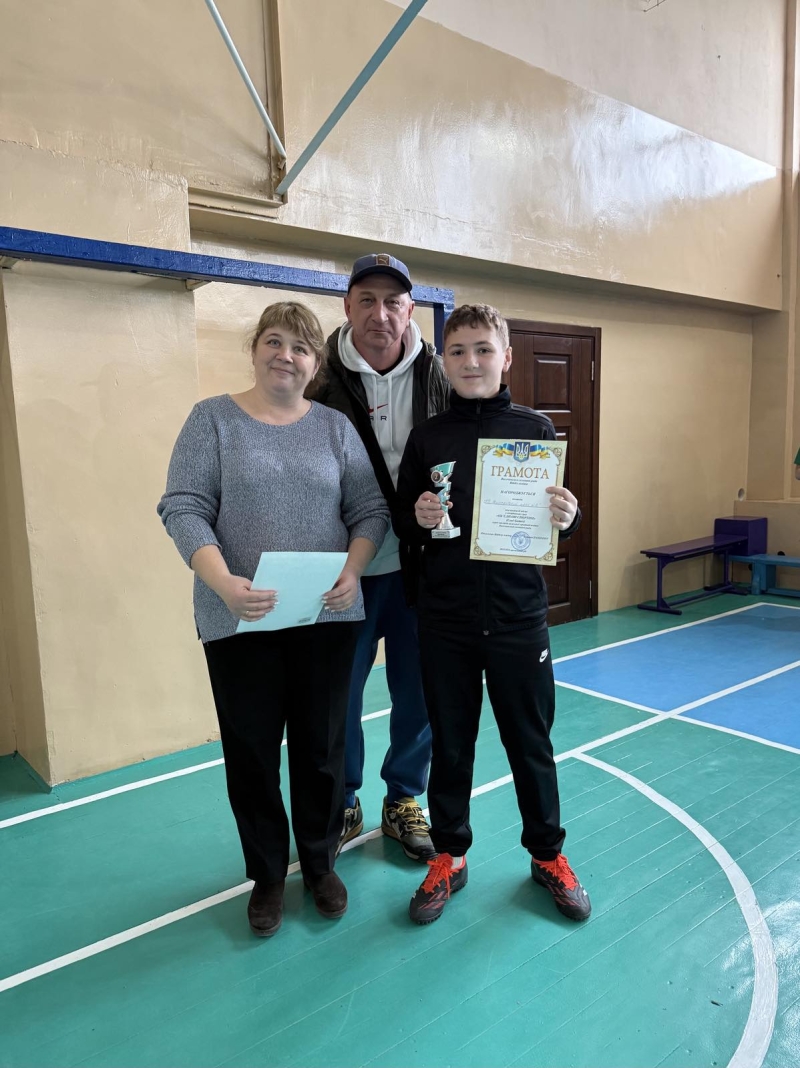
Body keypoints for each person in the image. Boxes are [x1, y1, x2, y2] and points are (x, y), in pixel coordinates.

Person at [157, 301, 389, 938]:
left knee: (322, 748)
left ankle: (319, 863)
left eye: (302, 348)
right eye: (275, 341)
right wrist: (223, 584)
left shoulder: (336, 429)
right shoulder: (212, 420)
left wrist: (353, 571)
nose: (286, 355)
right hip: (240, 620)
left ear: (316, 365)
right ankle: (265, 874)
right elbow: (183, 507)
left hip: (326, 617)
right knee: (252, 752)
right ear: (255, 349)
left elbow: (370, 510)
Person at [393, 303, 592, 925]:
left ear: (506, 356)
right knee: (451, 746)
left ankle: (547, 855)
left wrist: (570, 516)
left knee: (531, 743)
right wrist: (418, 517)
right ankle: (449, 855)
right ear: (444, 362)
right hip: (445, 621)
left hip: (517, 619)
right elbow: (402, 519)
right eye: (458, 351)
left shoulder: (535, 430)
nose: (471, 361)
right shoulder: (428, 438)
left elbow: (560, 519)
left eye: (483, 349)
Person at [309, 253, 449, 861]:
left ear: (409, 310)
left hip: (422, 569)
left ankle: (403, 798)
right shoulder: (319, 380)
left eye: (393, 301)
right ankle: (343, 799)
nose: (380, 313)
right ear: (347, 306)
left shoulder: (440, 375)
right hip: (347, 570)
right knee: (339, 694)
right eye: (366, 299)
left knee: (418, 691)